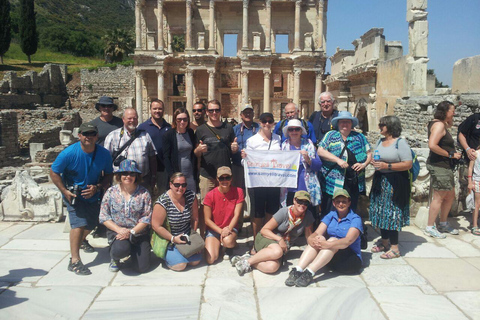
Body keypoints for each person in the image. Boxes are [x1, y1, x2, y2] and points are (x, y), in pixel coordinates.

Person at [50, 123, 113, 275]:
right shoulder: (69, 153)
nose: (88, 137)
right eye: (85, 134)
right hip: (73, 195)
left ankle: (82, 240)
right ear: (79, 135)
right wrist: (64, 191)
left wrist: (97, 187)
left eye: (92, 134)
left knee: (92, 223)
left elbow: (109, 175)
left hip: (93, 194)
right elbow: (54, 172)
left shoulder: (104, 154)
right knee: (78, 224)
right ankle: (74, 260)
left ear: (97, 136)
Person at [284, 189, 363, 287]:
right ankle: (298, 270)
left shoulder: (355, 219)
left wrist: (328, 244)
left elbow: (348, 241)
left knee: (333, 240)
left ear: (349, 203)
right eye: (338, 201)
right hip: (331, 259)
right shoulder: (331, 215)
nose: (341, 204)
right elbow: (316, 232)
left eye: (344, 201)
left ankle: (309, 273)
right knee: (319, 237)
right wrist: (312, 240)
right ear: (333, 203)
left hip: (349, 261)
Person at [232, 191, 314, 276]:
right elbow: (264, 230)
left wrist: (313, 251)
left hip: (283, 246)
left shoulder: (308, 216)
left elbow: (309, 237)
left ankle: (248, 259)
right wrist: (279, 239)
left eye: (306, 202)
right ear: (294, 200)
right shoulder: (284, 212)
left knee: (272, 267)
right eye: (300, 201)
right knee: (277, 251)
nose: (302, 204)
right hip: (267, 238)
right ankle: (247, 263)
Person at [369, 116, 413, 259]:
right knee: (381, 212)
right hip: (380, 181)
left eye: (383, 125)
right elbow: (377, 157)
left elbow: (408, 164)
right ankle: (384, 242)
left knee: (392, 213)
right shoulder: (380, 141)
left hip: (395, 183)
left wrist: (387, 166)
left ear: (391, 126)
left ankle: (395, 248)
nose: (380, 127)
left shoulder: (400, 143)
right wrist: (374, 163)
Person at [99, 159, 152, 273]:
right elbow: (104, 216)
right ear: (119, 175)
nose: (128, 176)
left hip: (138, 233)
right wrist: (119, 230)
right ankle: (115, 257)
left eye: (132, 174)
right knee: (120, 250)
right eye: (125, 173)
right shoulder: (111, 192)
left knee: (142, 268)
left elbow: (146, 218)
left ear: (136, 176)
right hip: (118, 232)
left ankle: (134, 252)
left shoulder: (144, 193)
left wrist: (131, 232)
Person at [195, 99, 238, 234]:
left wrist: (235, 148)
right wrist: (198, 150)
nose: (214, 113)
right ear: (206, 112)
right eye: (211, 110)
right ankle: (203, 234)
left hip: (225, 176)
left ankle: (224, 234)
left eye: (217, 110)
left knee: (226, 207)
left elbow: (233, 149)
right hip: (207, 174)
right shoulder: (200, 130)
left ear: (220, 111)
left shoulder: (228, 128)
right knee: (205, 206)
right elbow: (195, 153)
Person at [317, 111, 371, 214]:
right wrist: (337, 160)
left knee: (351, 207)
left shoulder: (359, 137)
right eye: (342, 122)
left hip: (353, 180)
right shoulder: (331, 135)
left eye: (347, 122)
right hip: (333, 180)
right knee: (330, 208)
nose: (344, 124)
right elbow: (320, 151)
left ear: (351, 124)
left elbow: (369, 153)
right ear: (338, 123)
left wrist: (363, 164)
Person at [242, 112, 282, 240]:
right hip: (257, 181)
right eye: (264, 121)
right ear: (260, 123)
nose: (267, 124)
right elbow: (245, 163)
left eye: (270, 121)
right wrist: (244, 158)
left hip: (274, 181)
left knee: (271, 210)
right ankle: (257, 240)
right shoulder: (252, 141)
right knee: (257, 212)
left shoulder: (278, 139)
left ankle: (268, 237)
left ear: (273, 124)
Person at [425, 101, 461, 238]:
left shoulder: (439, 124)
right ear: (445, 111)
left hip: (445, 166)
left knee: (450, 195)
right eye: (452, 111)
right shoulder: (439, 125)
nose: (454, 113)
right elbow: (432, 145)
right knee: (439, 197)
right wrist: (451, 154)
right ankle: (430, 226)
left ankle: (443, 223)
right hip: (440, 166)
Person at [151, 173, 201, 271]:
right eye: (177, 185)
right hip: (169, 238)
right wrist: (173, 238)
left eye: (183, 185)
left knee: (195, 262)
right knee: (180, 266)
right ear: (170, 184)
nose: (180, 188)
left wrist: (194, 238)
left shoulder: (191, 196)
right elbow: (156, 226)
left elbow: (195, 218)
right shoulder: (163, 201)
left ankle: (178, 254)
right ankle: (167, 256)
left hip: (185, 236)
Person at [104, 108, 157, 192]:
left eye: (135, 118)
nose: (132, 120)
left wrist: (153, 176)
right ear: (123, 119)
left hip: (142, 180)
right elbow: (105, 161)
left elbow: (152, 157)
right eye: (129, 118)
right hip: (120, 181)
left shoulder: (145, 135)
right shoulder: (112, 136)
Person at [204, 167, 244, 264]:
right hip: (215, 229)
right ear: (217, 179)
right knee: (210, 259)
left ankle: (229, 245)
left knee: (228, 241)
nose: (225, 181)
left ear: (231, 178)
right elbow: (207, 220)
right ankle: (219, 244)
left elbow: (237, 214)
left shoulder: (238, 192)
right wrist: (221, 231)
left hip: (230, 228)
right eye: (222, 178)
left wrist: (228, 229)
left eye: (227, 178)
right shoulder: (210, 195)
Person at [281, 119, 322, 210]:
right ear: (288, 132)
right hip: (289, 188)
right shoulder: (283, 146)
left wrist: (308, 159)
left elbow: (318, 166)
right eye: (291, 129)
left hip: (306, 187)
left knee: (309, 216)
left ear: (301, 131)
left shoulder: (309, 145)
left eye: (297, 129)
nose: (294, 132)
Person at [138, 99, 171, 196]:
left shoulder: (168, 127)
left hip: (163, 169)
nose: (157, 111)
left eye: (160, 109)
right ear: (150, 110)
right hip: (147, 169)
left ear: (164, 110)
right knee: (146, 196)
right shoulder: (142, 127)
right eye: (155, 108)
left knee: (163, 195)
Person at [163, 107, 198, 193]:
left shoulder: (190, 133)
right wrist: (172, 176)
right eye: (179, 119)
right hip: (177, 176)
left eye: (185, 119)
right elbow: (166, 157)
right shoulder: (169, 135)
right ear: (175, 120)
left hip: (190, 174)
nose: (182, 122)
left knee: (191, 199)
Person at [232, 104, 259, 190]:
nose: (248, 114)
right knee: (238, 191)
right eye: (245, 113)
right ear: (241, 115)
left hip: (255, 167)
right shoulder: (235, 129)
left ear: (253, 114)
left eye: (250, 112)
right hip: (238, 166)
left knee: (254, 192)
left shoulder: (259, 128)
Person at [467, 146, 480, 236]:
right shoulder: (475, 154)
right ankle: (475, 225)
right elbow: (470, 168)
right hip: (477, 180)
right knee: (477, 204)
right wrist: (470, 182)